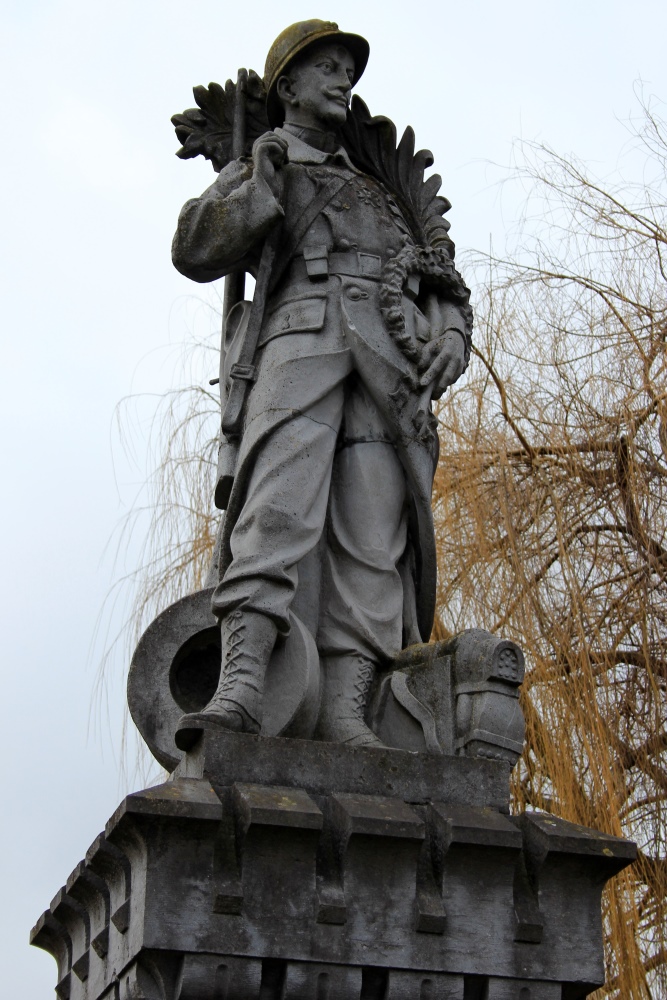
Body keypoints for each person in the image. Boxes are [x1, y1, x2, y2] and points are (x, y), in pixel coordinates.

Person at [172, 19, 472, 746]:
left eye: (348, 71)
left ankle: (347, 708)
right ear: (288, 87)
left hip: (388, 369)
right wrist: (260, 183)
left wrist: (453, 333)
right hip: (299, 340)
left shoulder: (377, 194)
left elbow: (434, 279)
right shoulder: (264, 161)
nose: (342, 81)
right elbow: (195, 248)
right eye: (327, 68)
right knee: (275, 511)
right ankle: (242, 687)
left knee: (373, 539)